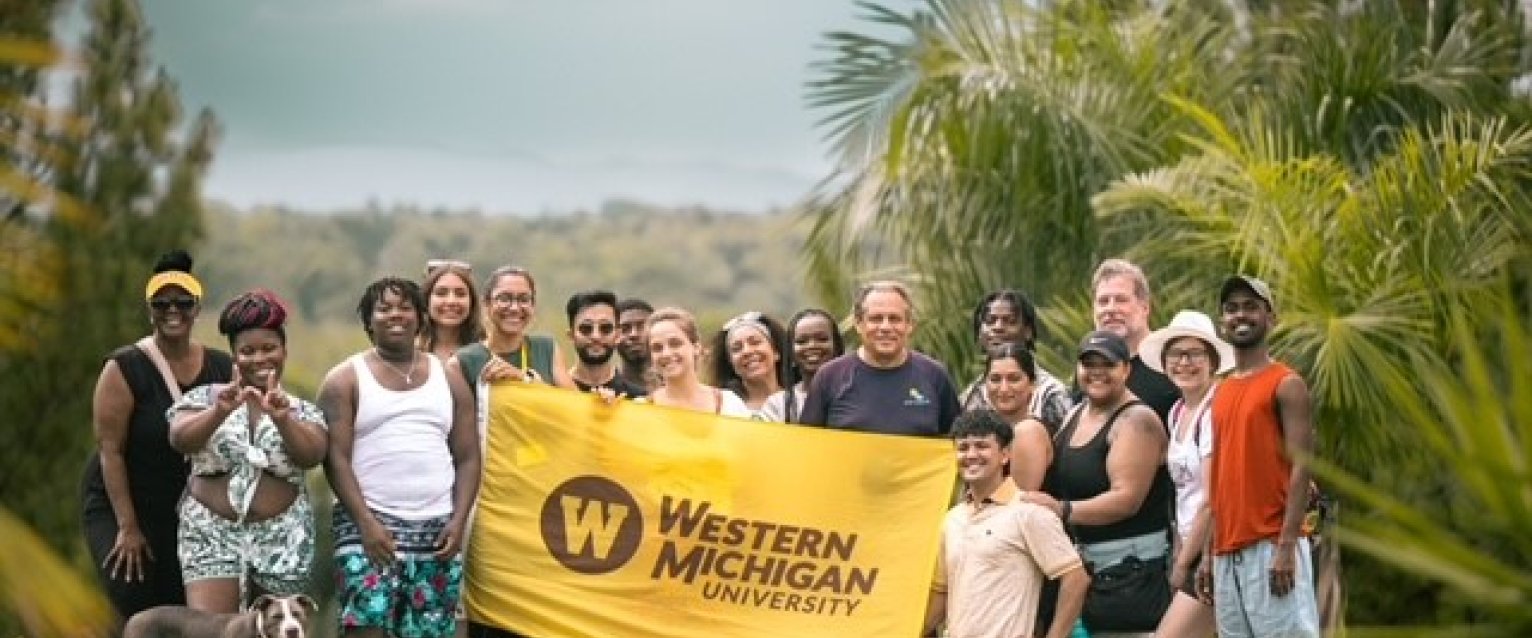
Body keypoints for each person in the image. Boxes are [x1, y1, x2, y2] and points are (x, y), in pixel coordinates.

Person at [319, 277, 481, 638]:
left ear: (421, 317)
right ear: (368, 321)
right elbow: (335, 459)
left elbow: (468, 456)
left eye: (405, 307)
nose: (396, 315)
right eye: (384, 308)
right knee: (366, 628)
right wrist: (365, 523)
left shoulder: (450, 377)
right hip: (370, 530)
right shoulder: (344, 379)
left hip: (437, 531)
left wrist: (458, 520)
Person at [82, 251, 234, 623]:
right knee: (135, 596)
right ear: (149, 309)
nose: (172, 310)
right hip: (125, 500)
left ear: (196, 308)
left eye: (182, 302)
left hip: (184, 505)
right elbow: (110, 451)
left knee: (183, 609)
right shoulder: (125, 367)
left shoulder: (222, 367)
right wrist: (127, 527)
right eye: (161, 303)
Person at [167, 289, 329, 611]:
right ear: (235, 356)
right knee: (213, 632)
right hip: (211, 536)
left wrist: (283, 420)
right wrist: (219, 412)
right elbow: (179, 439)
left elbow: (313, 455)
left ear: (284, 351)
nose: (260, 359)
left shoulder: (299, 410)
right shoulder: (202, 400)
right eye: (248, 351)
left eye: (269, 349)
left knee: (279, 630)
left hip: (284, 537)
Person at [1023, 330, 1175, 634]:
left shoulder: (1137, 421)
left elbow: (1126, 499)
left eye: (1107, 364)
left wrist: (1062, 510)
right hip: (1084, 571)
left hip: (1131, 574)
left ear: (1126, 369)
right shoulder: (1078, 412)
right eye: (1088, 364)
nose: (1097, 373)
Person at [1198, 276, 1320, 638]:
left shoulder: (1286, 383)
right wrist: (1208, 553)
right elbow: (1220, 478)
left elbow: (1303, 465)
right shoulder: (1221, 390)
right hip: (1227, 552)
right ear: (1222, 322)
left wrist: (1285, 546)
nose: (1240, 315)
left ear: (1270, 317)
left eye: (1251, 307)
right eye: (1232, 308)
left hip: (1271, 545)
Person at [924, 409, 1089, 638]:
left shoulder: (1028, 512)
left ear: (1004, 455)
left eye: (981, 446)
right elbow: (942, 594)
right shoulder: (952, 519)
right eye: (963, 448)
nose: (971, 454)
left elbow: (1076, 578)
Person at [1139, 311, 1234, 638]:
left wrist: (1183, 565)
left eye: (1195, 354)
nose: (1185, 363)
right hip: (1192, 545)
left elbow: (1213, 499)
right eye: (1176, 355)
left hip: (1216, 548)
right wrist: (1179, 549)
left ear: (1212, 361)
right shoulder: (1177, 412)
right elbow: (1182, 491)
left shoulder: (1216, 410)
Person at [799, 281, 961, 436]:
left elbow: (957, 444)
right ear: (858, 323)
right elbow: (807, 447)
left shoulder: (935, 376)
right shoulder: (829, 377)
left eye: (894, 319)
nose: (885, 327)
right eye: (876, 319)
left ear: (910, 324)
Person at [961, 289, 1072, 433]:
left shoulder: (1051, 393)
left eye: (1009, 321)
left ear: (1028, 331)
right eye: (990, 320)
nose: (997, 327)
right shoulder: (971, 394)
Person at [450, 265, 574, 392]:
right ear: (486, 304)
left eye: (523, 299)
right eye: (504, 299)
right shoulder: (465, 361)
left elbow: (574, 405)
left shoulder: (546, 348)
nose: (514, 308)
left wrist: (524, 379)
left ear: (533, 305)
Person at [1089, 259, 1180, 425]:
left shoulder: (1171, 364)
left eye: (1121, 300)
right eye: (1103, 301)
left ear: (1145, 307)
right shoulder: (1089, 370)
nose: (1110, 309)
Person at [641, 306, 751, 417]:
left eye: (675, 344)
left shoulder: (730, 404)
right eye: (657, 348)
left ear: (696, 347)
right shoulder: (640, 411)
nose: (666, 353)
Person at [975, 344, 1052, 491]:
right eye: (995, 379)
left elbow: (1019, 504)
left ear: (1032, 384)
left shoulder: (1029, 431)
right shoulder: (984, 432)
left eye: (1014, 379)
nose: (1003, 388)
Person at [758, 308, 845, 423]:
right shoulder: (778, 405)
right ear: (791, 351)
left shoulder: (856, 393)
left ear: (837, 346)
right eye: (801, 341)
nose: (812, 345)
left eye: (822, 339)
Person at [564, 290, 647, 398]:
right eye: (586, 328)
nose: (596, 336)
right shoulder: (553, 392)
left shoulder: (638, 399)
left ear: (618, 335)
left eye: (605, 328)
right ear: (571, 335)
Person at [707, 311, 788, 413]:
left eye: (755, 342)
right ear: (730, 362)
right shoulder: (723, 408)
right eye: (737, 348)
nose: (746, 351)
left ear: (776, 351)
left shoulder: (802, 402)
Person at [418, 260, 483, 363]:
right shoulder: (408, 352)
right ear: (426, 300)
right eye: (441, 293)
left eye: (460, 294)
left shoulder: (488, 352)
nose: (451, 301)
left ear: (472, 301)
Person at [615, 298, 656, 393]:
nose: (634, 334)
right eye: (624, 329)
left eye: (642, 326)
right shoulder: (606, 392)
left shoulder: (676, 388)